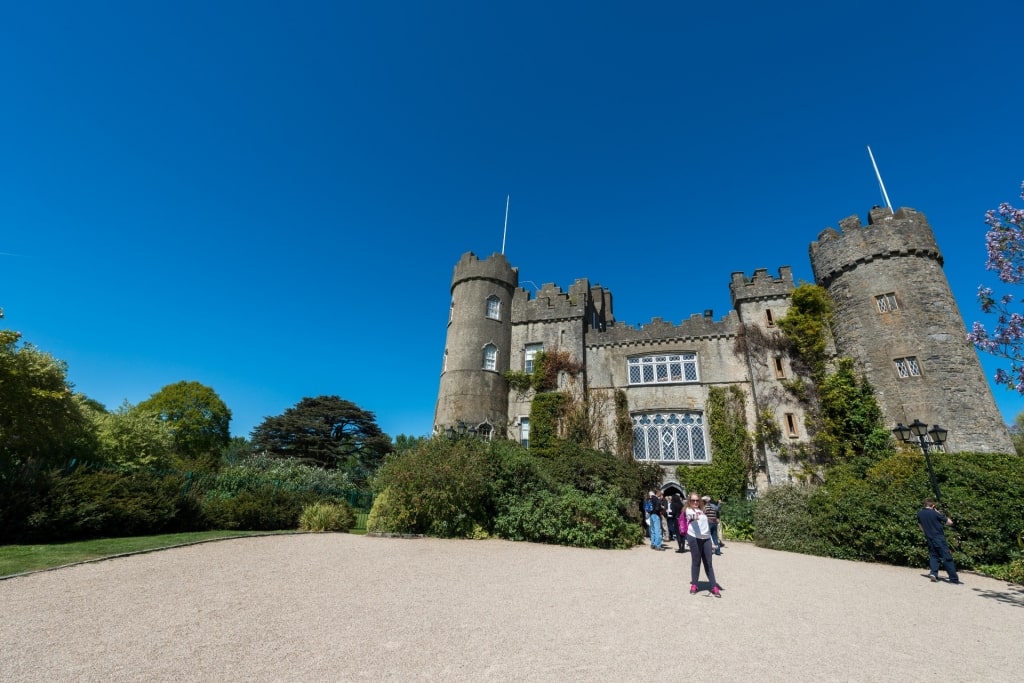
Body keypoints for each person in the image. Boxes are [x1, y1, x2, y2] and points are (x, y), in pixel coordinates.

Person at [685, 493, 721, 597]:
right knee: (696, 561)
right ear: (689, 501)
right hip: (694, 538)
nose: (695, 502)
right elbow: (690, 516)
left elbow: (707, 528)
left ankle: (714, 586)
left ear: (699, 501)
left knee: (708, 563)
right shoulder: (689, 510)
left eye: (697, 500)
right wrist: (696, 516)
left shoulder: (703, 511)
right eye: (693, 500)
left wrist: (712, 542)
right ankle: (694, 585)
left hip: (706, 539)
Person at [917, 498, 960, 584]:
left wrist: (926, 532)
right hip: (939, 538)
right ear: (933, 505)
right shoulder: (935, 513)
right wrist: (938, 513)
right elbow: (950, 522)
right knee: (947, 557)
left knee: (934, 556)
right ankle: (954, 579)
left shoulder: (920, 513)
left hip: (929, 538)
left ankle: (933, 573)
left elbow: (920, 525)